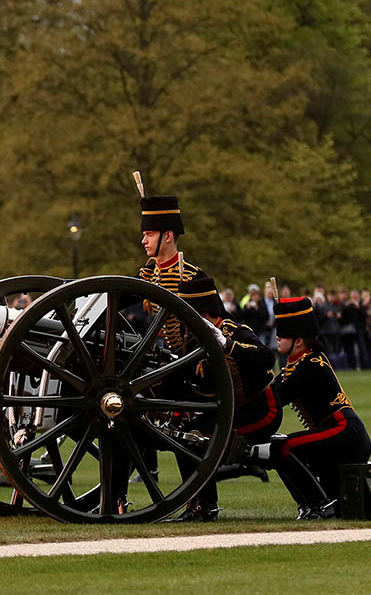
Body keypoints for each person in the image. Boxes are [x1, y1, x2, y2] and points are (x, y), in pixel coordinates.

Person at [248, 296, 371, 516]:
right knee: (279, 448)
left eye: (283, 333)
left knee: (281, 448)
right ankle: (311, 505)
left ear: (299, 340)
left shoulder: (309, 366)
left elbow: (275, 398)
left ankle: (318, 505)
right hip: (338, 434)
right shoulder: (298, 364)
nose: (277, 337)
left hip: (345, 432)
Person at [173, 277, 280, 522]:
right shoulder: (192, 340)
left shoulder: (234, 331)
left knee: (199, 441)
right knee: (184, 437)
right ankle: (195, 504)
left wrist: (227, 344)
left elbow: (265, 357)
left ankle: (207, 508)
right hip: (230, 409)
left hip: (261, 409)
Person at [137, 194, 208, 354]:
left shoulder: (193, 276)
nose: (143, 241)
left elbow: (216, 324)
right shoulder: (147, 274)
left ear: (168, 236)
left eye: (149, 234)